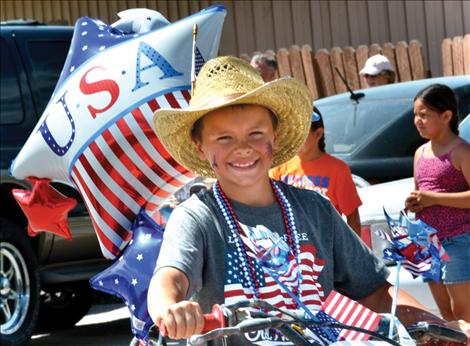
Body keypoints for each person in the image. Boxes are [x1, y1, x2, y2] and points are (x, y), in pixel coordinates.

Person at [147, 56, 470, 344]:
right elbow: (170, 276)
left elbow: (374, 290)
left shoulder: (313, 208)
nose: (242, 147)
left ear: (275, 137)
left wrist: (438, 326)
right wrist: (171, 309)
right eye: (224, 137)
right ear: (201, 146)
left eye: (256, 134)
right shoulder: (198, 216)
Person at [405, 84, 470, 323]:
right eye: (415, 114)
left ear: (446, 116)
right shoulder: (420, 153)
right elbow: (420, 192)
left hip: (458, 241)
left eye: (424, 115)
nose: (417, 121)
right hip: (428, 242)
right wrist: (415, 203)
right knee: (446, 317)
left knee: (464, 315)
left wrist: (434, 198)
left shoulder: (461, 151)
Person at [270, 107, 362, 236]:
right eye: (290, 133)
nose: (294, 140)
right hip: (293, 249)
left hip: (328, 248)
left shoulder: (338, 170)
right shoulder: (278, 168)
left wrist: (353, 254)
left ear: (318, 134)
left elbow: (353, 219)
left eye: (300, 135)